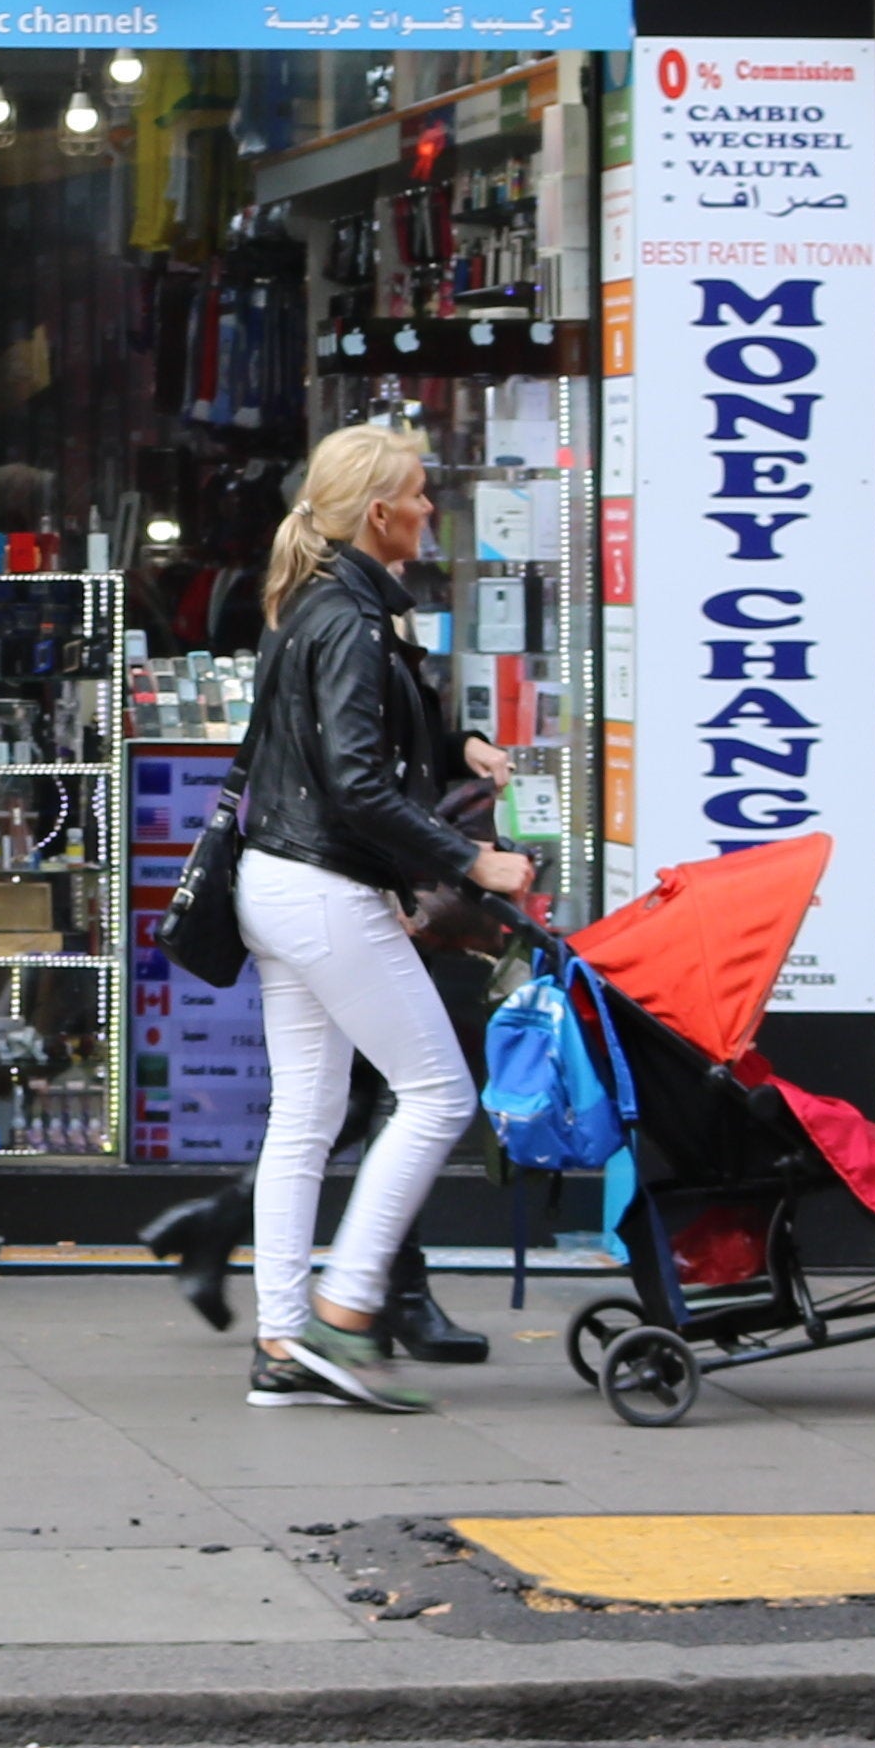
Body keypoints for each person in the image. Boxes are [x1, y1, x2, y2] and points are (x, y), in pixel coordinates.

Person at [231, 418, 536, 1413]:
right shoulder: (351, 619)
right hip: (323, 890)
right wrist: (471, 858)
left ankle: (284, 1340)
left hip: (277, 886)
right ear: (378, 513)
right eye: (416, 493)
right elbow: (359, 785)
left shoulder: (317, 602)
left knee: (308, 1118)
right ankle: (347, 1311)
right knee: (441, 1096)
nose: (428, 508)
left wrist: (459, 748)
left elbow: (353, 749)